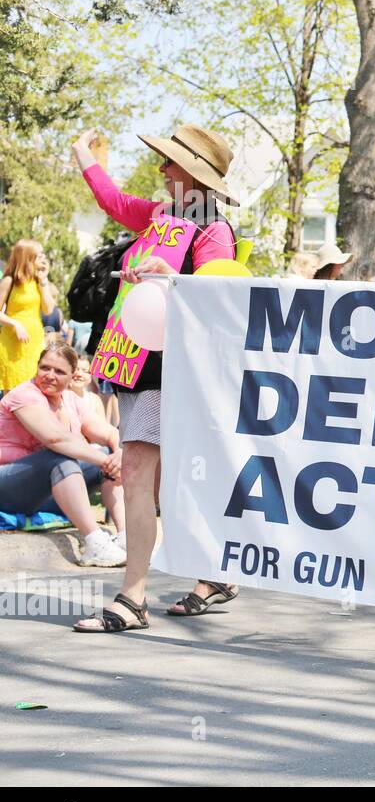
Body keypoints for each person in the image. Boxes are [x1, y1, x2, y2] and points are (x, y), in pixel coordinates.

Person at [69, 125, 241, 632]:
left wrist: (161, 282)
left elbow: (216, 300)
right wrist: (84, 155)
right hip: (133, 360)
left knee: (140, 471)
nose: (162, 171)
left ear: (193, 173)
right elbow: (111, 199)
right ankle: (213, 571)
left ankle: (132, 597)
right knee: (163, 479)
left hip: (172, 370)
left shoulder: (215, 230)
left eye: (170, 163)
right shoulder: (158, 216)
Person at [0, 342, 125, 566]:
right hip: (8, 487)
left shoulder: (72, 401)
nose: (49, 375)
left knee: (111, 459)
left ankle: (125, 537)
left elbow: (109, 434)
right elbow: (55, 439)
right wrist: (108, 460)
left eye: (59, 371)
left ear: (72, 375)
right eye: (45, 368)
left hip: (45, 493)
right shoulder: (24, 395)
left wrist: (117, 454)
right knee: (59, 458)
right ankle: (94, 542)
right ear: (36, 367)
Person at [0, 240, 57, 393]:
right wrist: (15, 324)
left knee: (33, 390)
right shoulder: (9, 281)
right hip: (12, 345)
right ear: (28, 257)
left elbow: (48, 310)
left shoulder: (39, 281)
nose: (43, 259)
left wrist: (44, 280)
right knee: (12, 393)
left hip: (34, 342)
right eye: (39, 255)